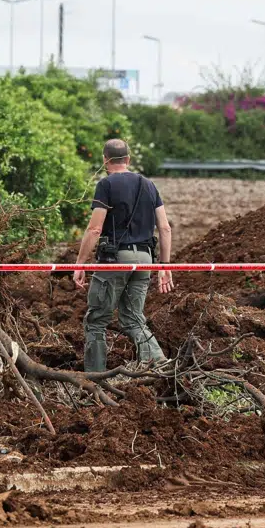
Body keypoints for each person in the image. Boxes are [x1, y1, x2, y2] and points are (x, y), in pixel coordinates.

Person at [72, 138, 174, 372]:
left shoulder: (106, 185)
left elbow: (95, 228)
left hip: (115, 260)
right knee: (133, 317)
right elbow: (165, 227)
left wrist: (80, 263)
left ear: (105, 160)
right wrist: (164, 266)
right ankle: (160, 366)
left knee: (96, 320)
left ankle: (94, 379)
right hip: (146, 260)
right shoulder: (149, 185)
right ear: (128, 159)